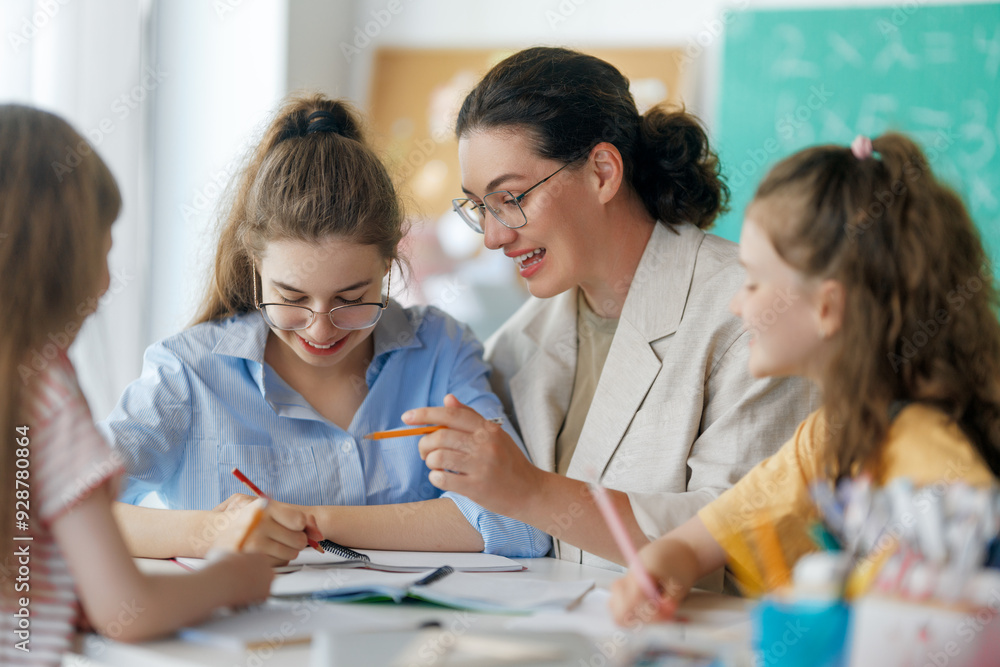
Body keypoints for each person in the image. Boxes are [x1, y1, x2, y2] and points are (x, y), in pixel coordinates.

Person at [405, 47, 815, 577]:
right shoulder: (515, 347)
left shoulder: (751, 313)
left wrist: (531, 493)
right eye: (479, 206)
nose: (493, 235)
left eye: (510, 198)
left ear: (602, 172)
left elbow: (750, 537)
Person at [102, 94, 550, 561]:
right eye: (292, 298)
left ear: (391, 260)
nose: (320, 330)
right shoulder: (187, 374)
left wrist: (311, 520)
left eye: (352, 299)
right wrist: (214, 532)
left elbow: (522, 521)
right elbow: (58, 510)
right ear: (254, 264)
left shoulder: (441, 350)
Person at [608, 133, 1000, 623]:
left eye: (752, 282)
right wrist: (669, 560)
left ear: (827, 307)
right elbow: (707, 536)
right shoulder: (828, 435)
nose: (737, 303)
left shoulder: (930, 458)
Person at [0, 105, 273, 666]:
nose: (104, 285)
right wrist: (230, 577)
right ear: (62, 259)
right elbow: (128, 610)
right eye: (103, 250)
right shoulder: (43, 391)